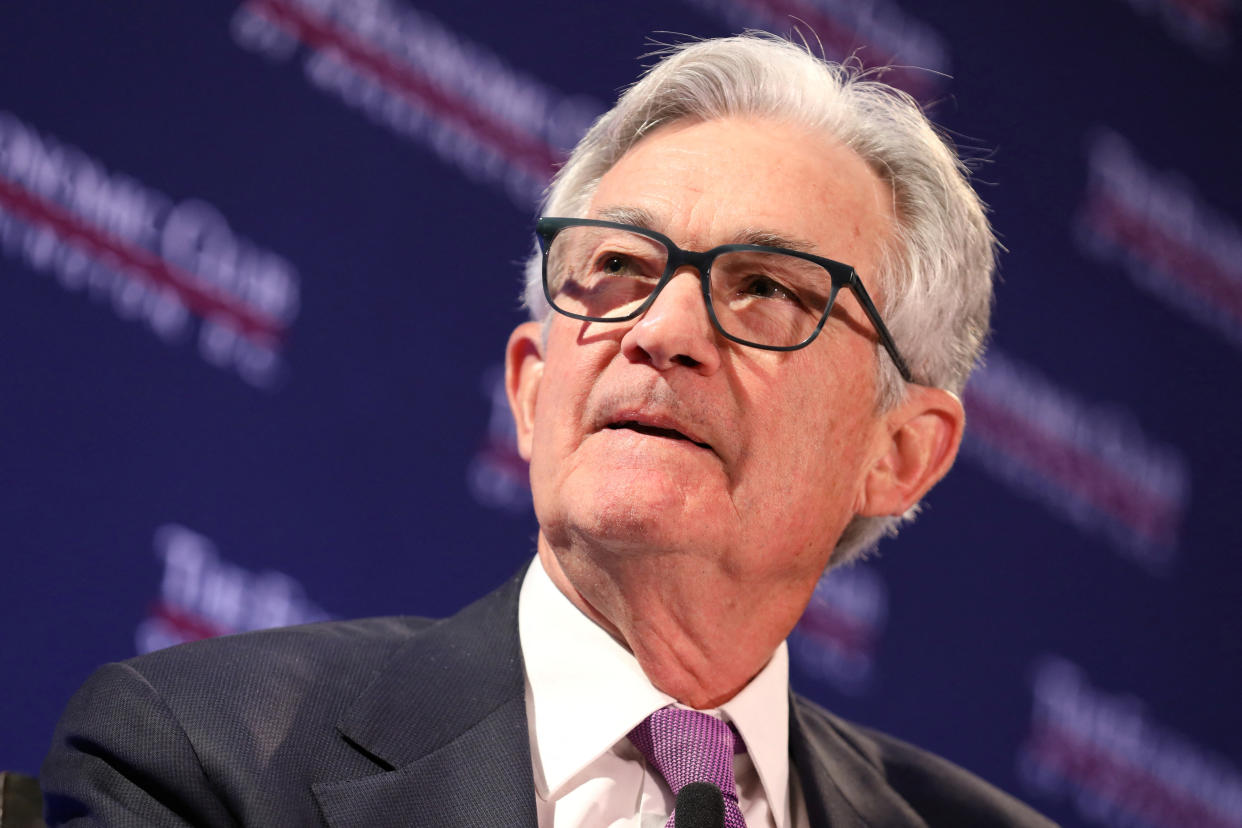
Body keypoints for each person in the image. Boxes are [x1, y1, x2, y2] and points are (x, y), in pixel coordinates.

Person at [42, 34, 1054, 827]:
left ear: (900, 452)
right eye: (618, 268)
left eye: (767, 290)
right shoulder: (206, 757)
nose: (660, 333)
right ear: (532, 391)